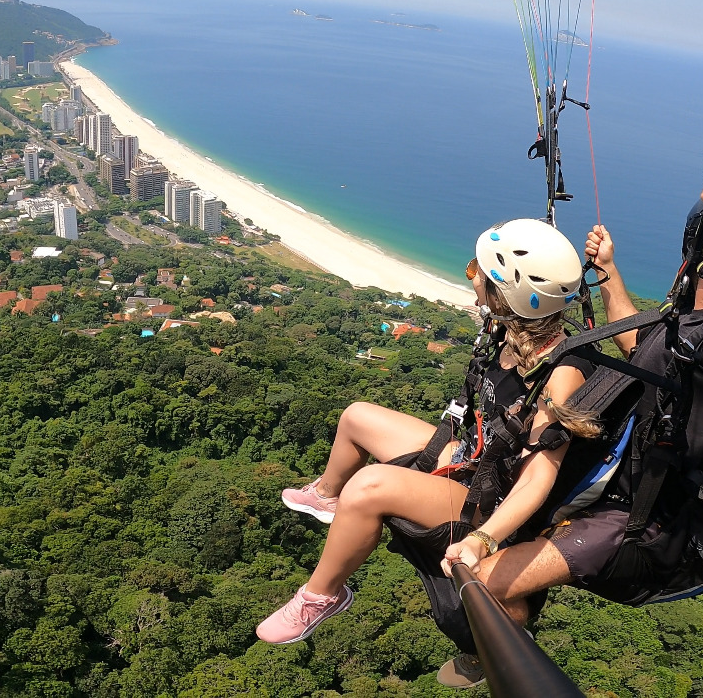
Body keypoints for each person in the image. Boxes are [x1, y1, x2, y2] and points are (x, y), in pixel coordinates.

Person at [440, 167, 703, 682]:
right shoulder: (686, 321)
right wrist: (609, 271)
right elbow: (643, 350)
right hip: (620, 488)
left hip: (650, 526)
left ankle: (490, 659)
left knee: (482, 582)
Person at [255, 219, 603, 661]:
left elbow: (537, 479)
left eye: (480, 273)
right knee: (357, 417)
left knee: (367, 487)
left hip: (493, 504)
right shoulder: (512, 334)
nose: (472, 275)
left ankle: (321, 596)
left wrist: (485, 540)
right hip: (479, 461)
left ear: (505, 297)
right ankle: (326, 496)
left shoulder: (560, 374)